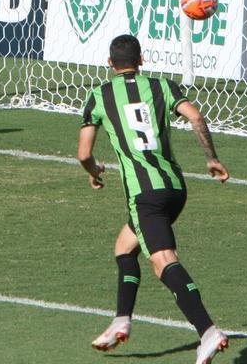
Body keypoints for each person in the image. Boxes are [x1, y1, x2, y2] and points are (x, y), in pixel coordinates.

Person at [78, 34, 230, 364]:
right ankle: (121, 320)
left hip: (145, 195)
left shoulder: (100, 96)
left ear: (109, 63)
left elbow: (84, 153)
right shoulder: (163, 86)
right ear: (142, 60)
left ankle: (207, 331)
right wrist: (211, 158)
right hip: (175, 188)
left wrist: (94, 171)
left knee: (163, 261)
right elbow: (196, 117)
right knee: (124, 247)